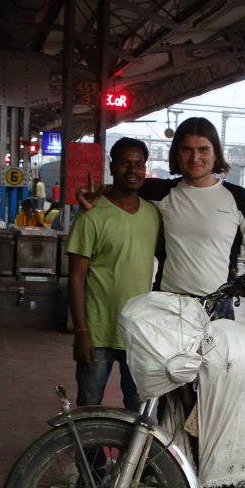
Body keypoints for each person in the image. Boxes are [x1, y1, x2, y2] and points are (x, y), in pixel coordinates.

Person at [81, 117, 245, 338]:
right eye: (186, 149)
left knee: (220, 363)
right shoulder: (161, 192)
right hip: (168, 307)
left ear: (216, 155)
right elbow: (122, 187)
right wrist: (92, 194)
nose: (195, 158)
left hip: (218, 309)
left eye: (203, 149)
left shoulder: (238, 198)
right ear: (176, 155)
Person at [66, 137, 161, 408]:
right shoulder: (91, 214)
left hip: (137, 333)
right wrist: (81, 331)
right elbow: (75, 278)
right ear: (111, 167)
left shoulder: (153, 214)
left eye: (139, 164)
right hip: (97, 333)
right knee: (89, 407)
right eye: (124, 163)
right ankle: (92, 444)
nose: (132, 170)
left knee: (138, 407)